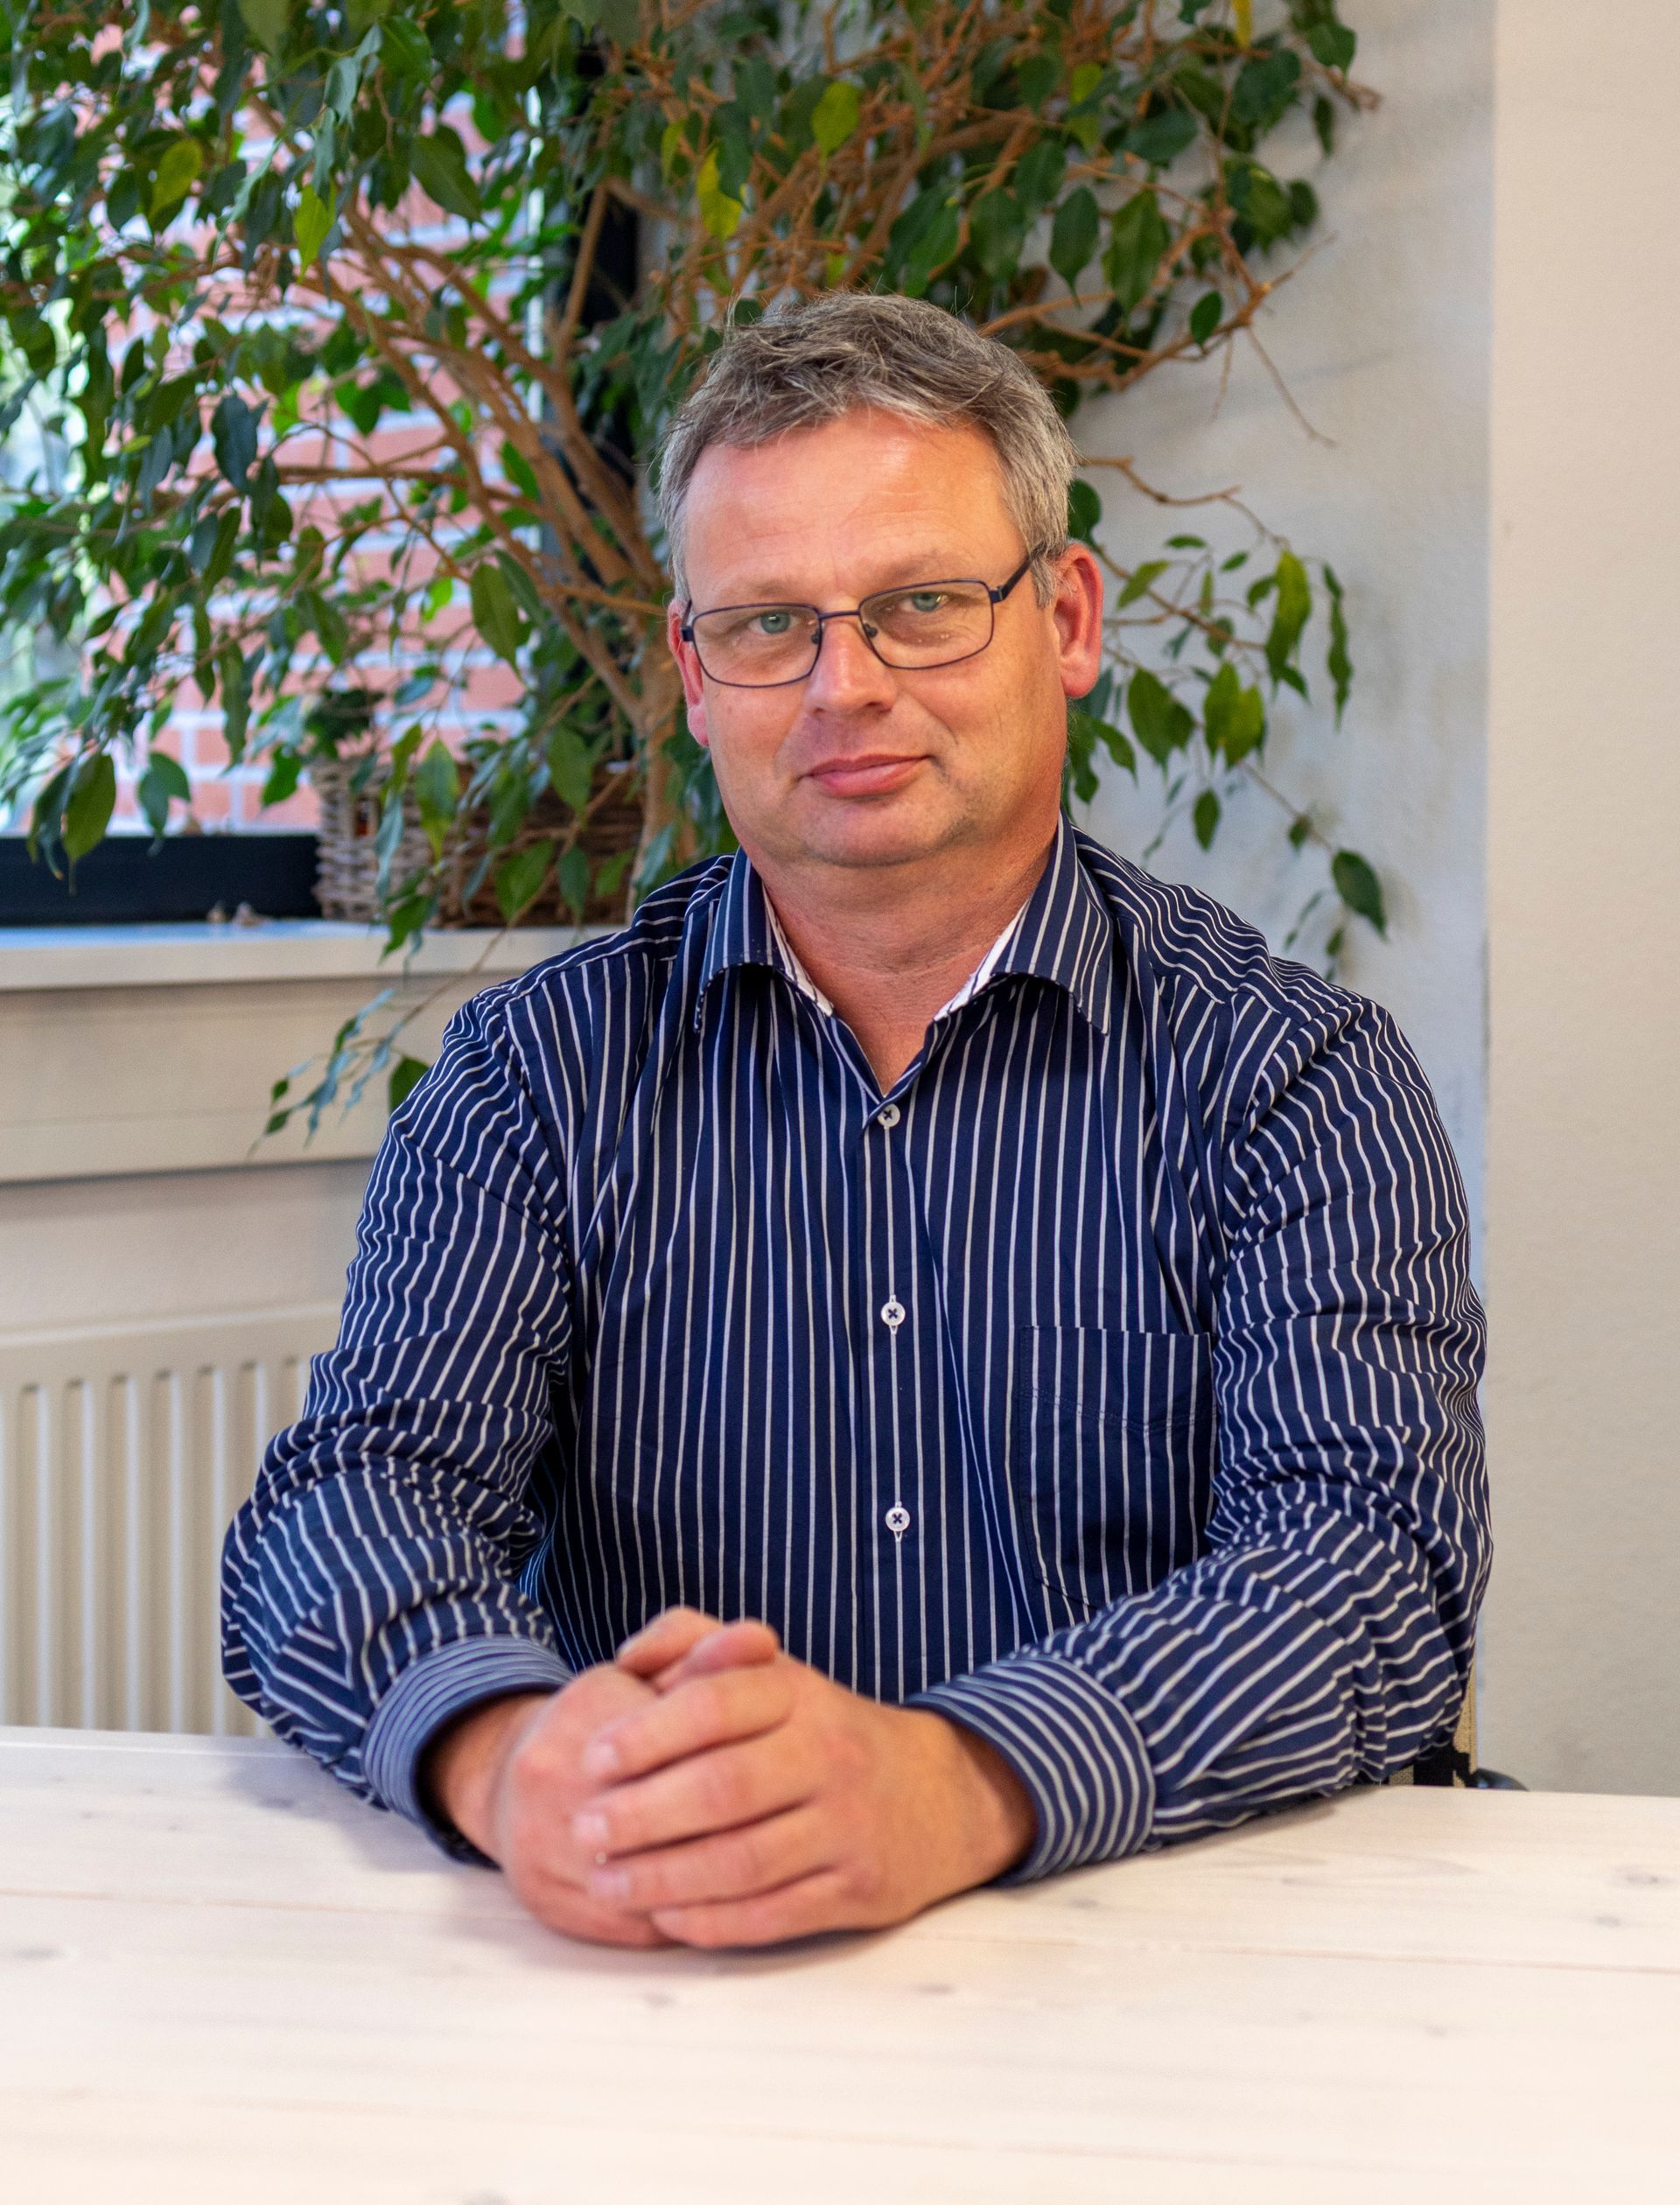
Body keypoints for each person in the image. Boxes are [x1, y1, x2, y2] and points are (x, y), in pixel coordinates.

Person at [222, 292, 1489, 1951]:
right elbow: (354, 1501)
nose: (845, 687)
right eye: (766, 626)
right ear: (692, 671)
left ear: (1070, 619)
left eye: (923, 607)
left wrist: (953, 1776)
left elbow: (1370, 1565)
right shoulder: (534, 1079)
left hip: (1175, 1956)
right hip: (672, 1963)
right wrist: (508, 1752)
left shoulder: (1291, 1081)